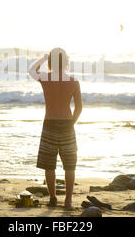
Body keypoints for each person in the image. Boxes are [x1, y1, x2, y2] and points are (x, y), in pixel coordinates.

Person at [28, 48, 82, 210]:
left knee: (49, 165)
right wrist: (71, 123)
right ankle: (68, 201)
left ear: (51, 62)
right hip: (67, 125)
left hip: (49, 124)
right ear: (66, 62)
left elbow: (31, 70)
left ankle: (52, 198)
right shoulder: (73, 81)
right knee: (70, 166)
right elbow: (79, 108)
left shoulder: (45, 78)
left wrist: (44, 58)